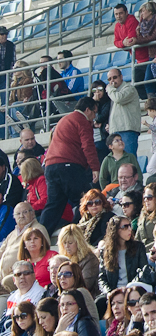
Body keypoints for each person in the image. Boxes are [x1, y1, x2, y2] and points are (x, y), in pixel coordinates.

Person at [41, 97, 101, 235]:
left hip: (50, 166)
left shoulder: (64, 119)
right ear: (87, 110)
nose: (94, 117)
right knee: (86, 200)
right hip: (68, 165)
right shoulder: (82, 121)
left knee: (54, 204)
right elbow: (88, 145)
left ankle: (42, 236)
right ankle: (80, 233)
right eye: (94, 112)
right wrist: (95, 167)